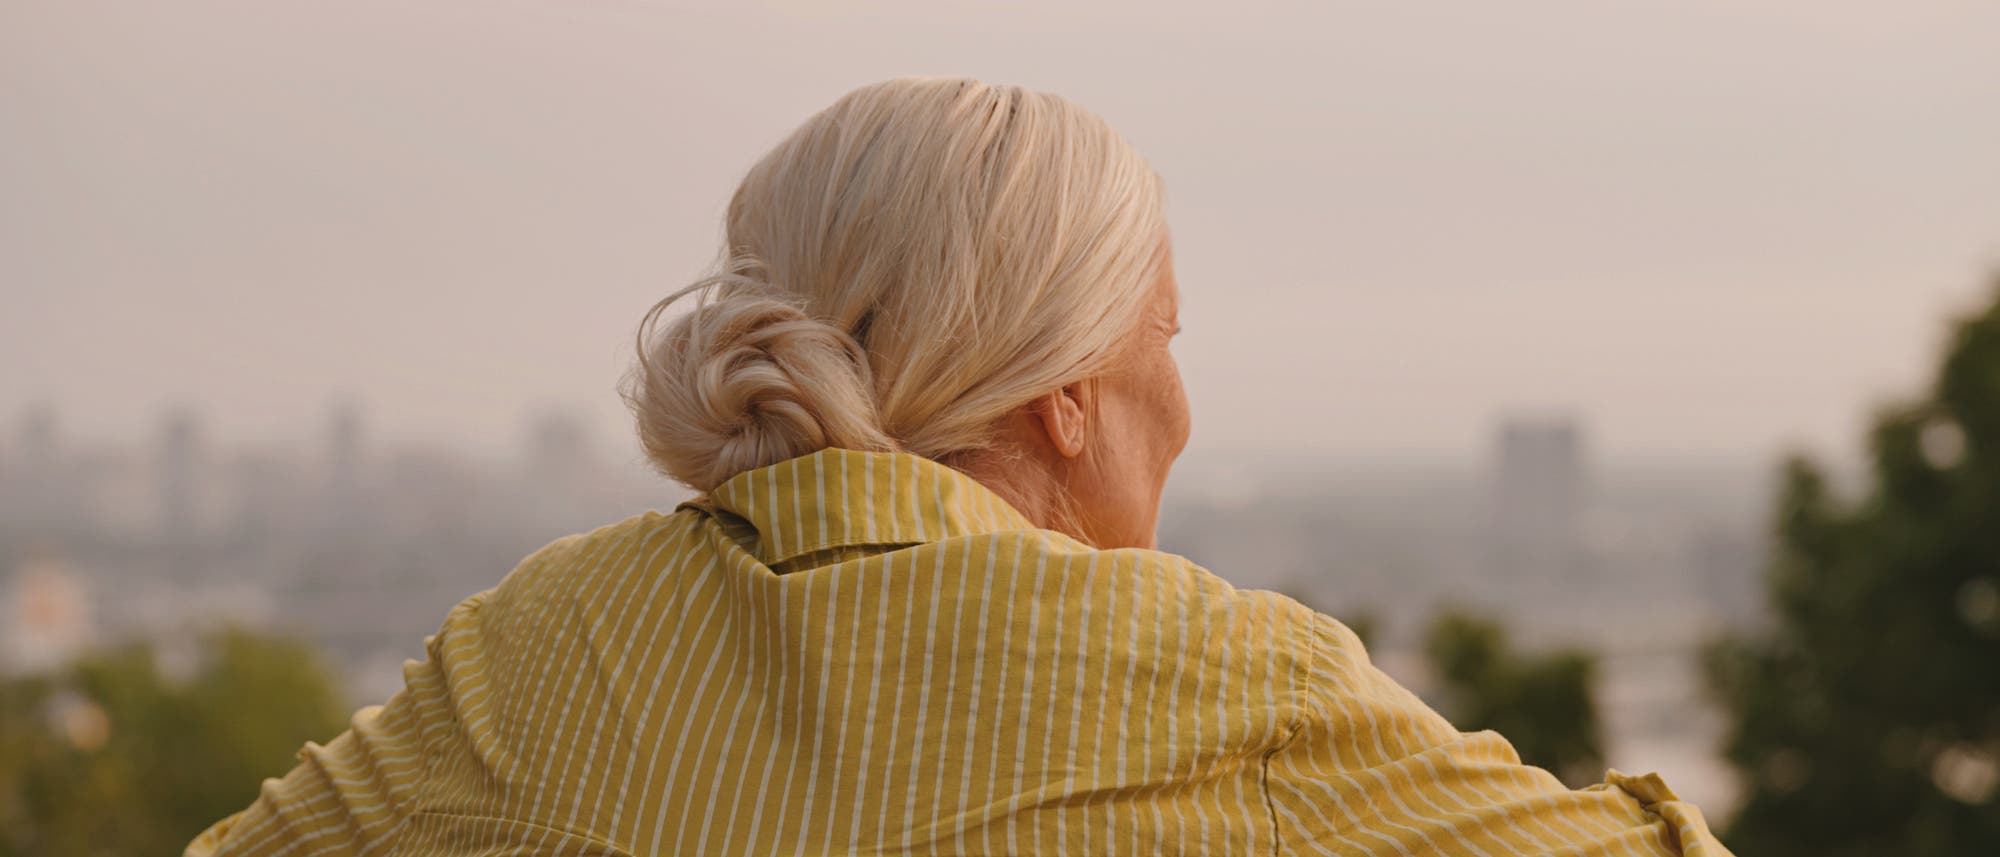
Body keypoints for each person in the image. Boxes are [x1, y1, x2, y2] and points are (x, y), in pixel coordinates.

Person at [186, 76, 1733, 856]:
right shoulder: (1222, 681)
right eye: (1168, 336)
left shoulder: (538, 643)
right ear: (1063, 391)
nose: (1185, 404)